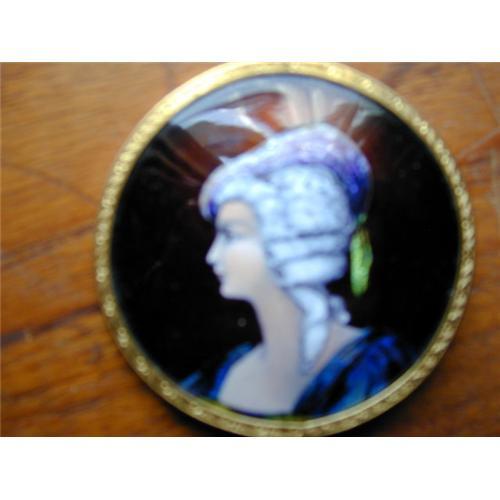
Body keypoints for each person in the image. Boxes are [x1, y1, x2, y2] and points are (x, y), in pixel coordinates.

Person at [182, 123, 413, 417]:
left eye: (233, 234)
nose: (212, 256)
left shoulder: (373, 368)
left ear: (293, 243)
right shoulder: (220, 372)